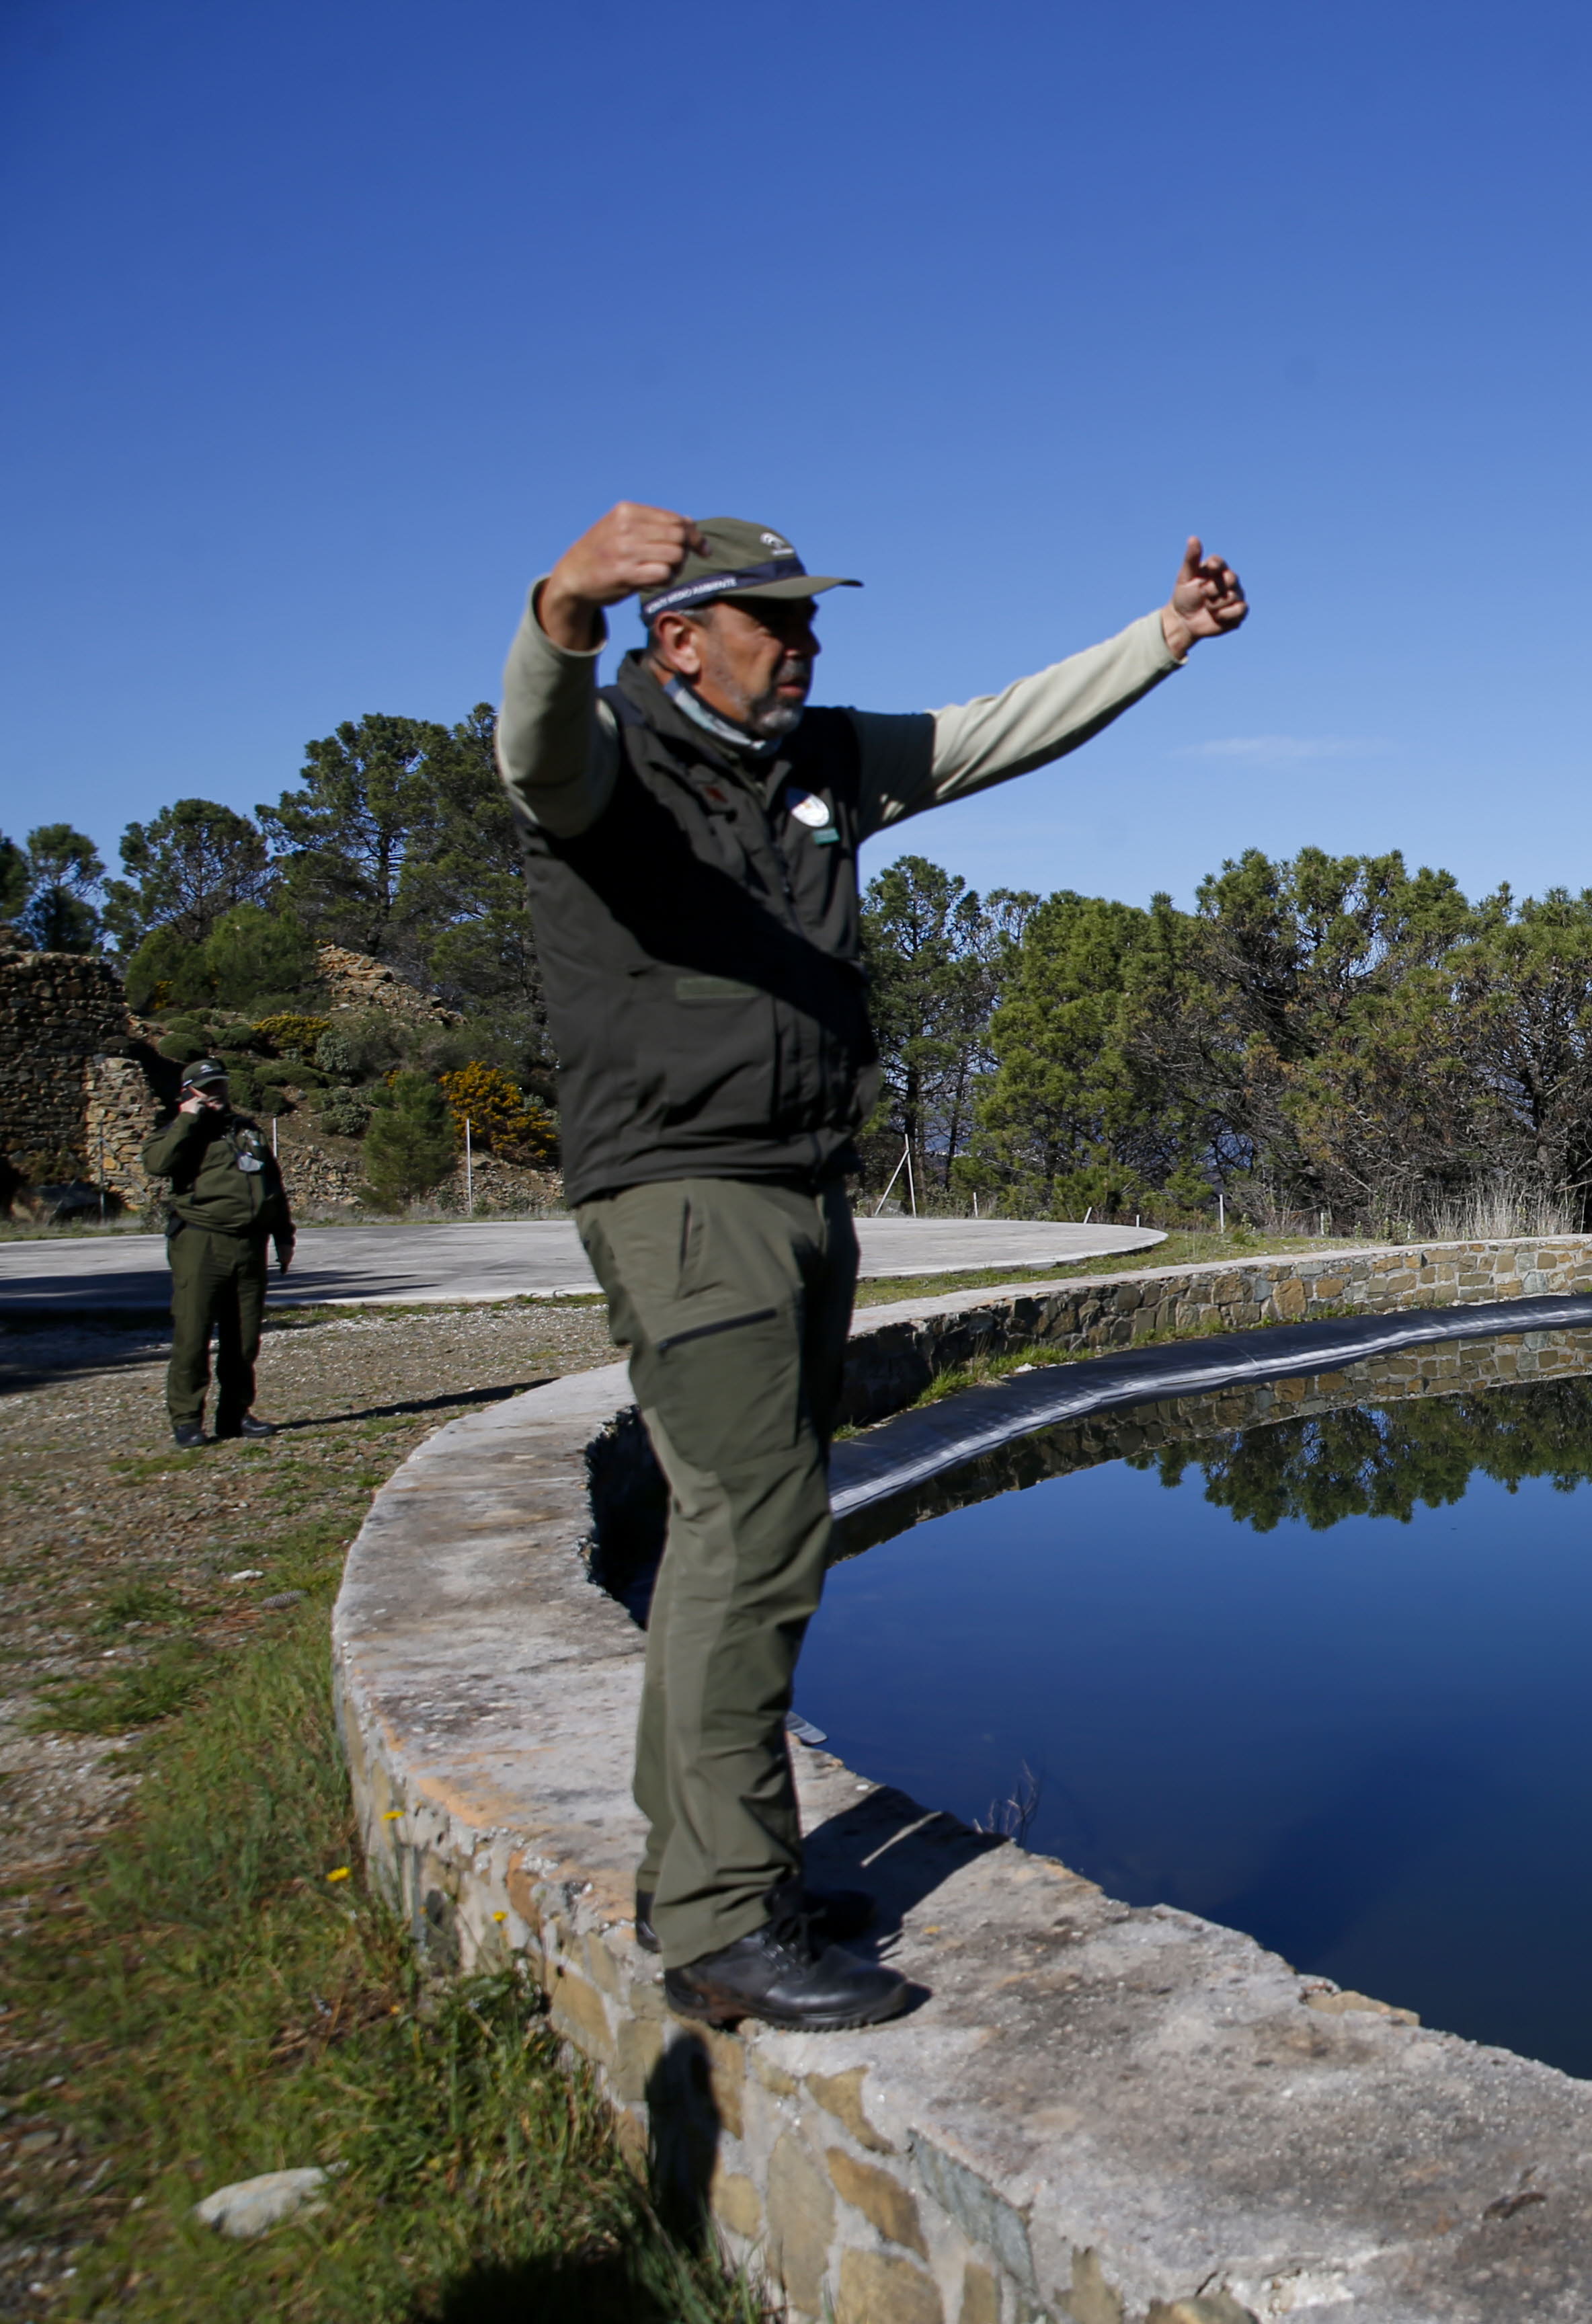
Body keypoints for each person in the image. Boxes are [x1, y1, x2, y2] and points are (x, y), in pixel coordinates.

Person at [500, 504, 1246, 2032]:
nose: (808, 646)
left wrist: (1158, 641)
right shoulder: (609, 765)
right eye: (776, 623)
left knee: (741, 1528)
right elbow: (533, 743)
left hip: (800, 1184)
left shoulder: (822, 759)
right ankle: (719, 1919)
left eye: (811, 620)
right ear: (678, 636)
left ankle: (710, 1867)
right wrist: (559, 604)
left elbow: (988, 733)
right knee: (753, 1522)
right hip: (681, 1191)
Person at [141, 1057, 295, 1448]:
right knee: (193, 1335)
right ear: (188, 1092)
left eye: (220, 1086)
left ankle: (235, 1415)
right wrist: (188, 1120)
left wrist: (283, 1234)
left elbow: (271, 1183)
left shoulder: (246, 1130)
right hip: (201, 1240)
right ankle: (187, 1419)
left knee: (243, 1338)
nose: (215, 1094)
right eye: (206, 1089)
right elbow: (157, 1164)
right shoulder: (180, 1132)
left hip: (250, 1243)